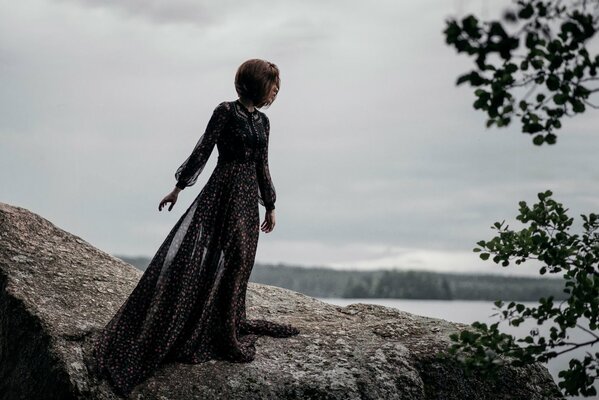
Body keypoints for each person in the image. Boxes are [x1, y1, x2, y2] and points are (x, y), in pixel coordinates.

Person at [92, 58, 300, 397]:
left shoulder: (263, 122)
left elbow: (263, 164)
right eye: (273, 83)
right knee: (210, 258)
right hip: (221, 193)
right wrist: (179, 187)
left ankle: (227, 321)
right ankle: (205, 326)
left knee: (240, 259)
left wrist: (271, 203)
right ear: (256, 83)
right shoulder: (225, 112)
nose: (277, 90)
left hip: (247, 199)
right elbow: (203, 149)